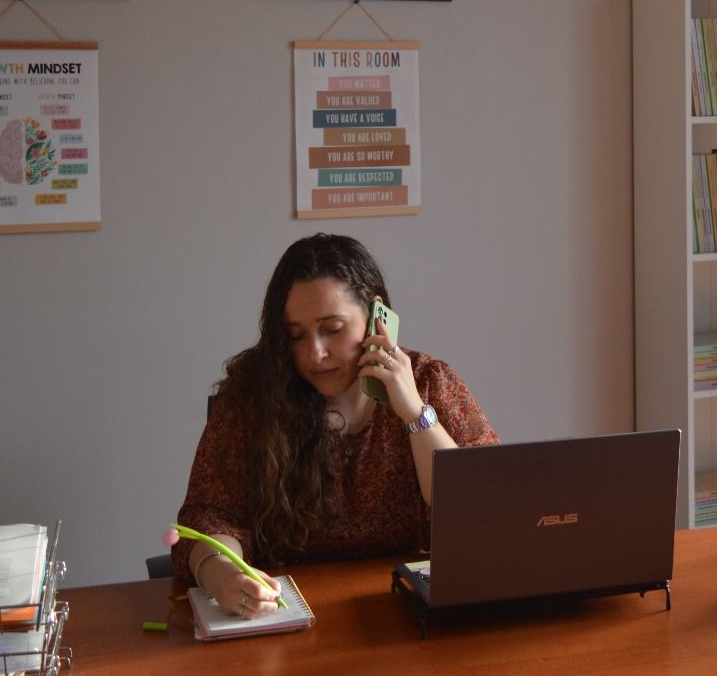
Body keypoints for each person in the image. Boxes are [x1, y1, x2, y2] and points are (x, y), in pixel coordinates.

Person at [172, 233, 498, 618]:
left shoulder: (431, 381)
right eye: (296, 336)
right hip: (288, 615)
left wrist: (414, 412)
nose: (315, 353)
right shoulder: (252, 399)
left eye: (333, 328)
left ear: (377, 316)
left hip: (407, 612)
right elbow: (209, 516)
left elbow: (485, 510)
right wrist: (219, 572)